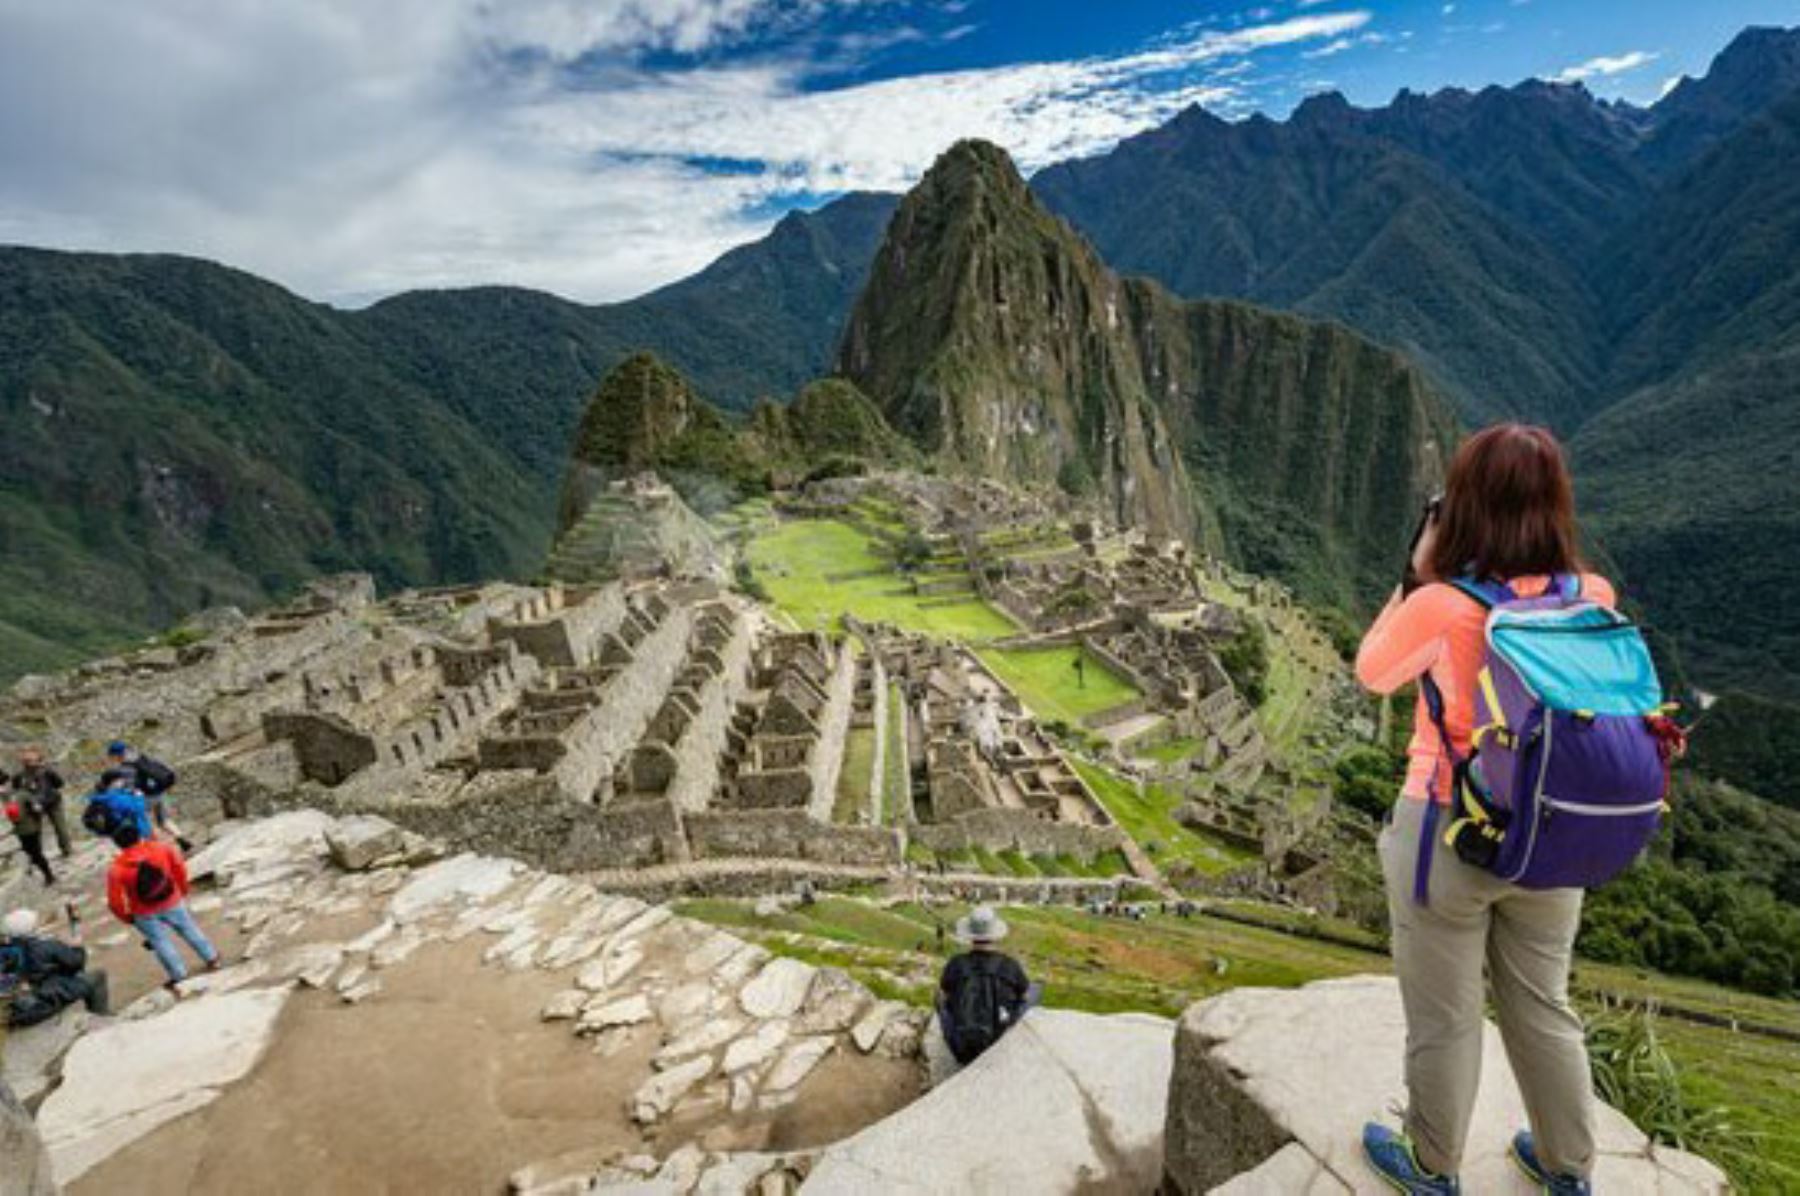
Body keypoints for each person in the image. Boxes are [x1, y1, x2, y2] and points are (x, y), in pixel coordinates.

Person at [1355, 425, 1610, 1196]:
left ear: (1461, 507)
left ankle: (1433, 1167)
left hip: (1447, 833)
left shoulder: (1442, 606)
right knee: (1543, 1004)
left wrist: (1418, 572)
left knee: (1446, 1015)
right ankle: (1569, 1168)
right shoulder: (1592, 596)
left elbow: (1373, 671)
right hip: (1551, 837)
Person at [105, 820, 219, 993]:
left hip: (143, 911)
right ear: (138, 835)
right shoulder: (161, 849)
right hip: (171, 899)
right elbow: (179, 868)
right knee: (189, 929)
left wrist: (127, 917)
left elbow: (115, 902)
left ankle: (179, 975)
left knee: (160, 943)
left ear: (118, 844)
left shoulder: (117, 868)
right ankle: (212, 958)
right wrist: (182, 889)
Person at [936, 905, 1033, 1065]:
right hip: (996, 1048)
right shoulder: (1010, 965)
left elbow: (944, 995)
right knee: (1034, 990)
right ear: (995, 935)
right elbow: (1024, 994)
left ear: (970, 935)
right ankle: (1010, 1032)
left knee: (939, 997)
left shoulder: (956, 964)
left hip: (961, 1050)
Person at [1, 908, 109, 1027]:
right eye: (34, 924)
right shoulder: (44, 946)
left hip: (18, 1006)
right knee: (97, 976)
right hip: (45, 1000)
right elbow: (77, 963)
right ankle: (101, 1018)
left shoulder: (7, 950)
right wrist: (77, 946)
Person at [104, 741, 190, 850]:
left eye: (112, 756)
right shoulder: (140, 757)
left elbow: (130, 787)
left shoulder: (126, 767)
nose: (112, 759)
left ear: (117, 755)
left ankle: (159, 850)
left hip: (146, 797)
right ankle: (181, 838)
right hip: (158, 792)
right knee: (163, 820)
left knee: (147, 823)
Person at [12, 747, 72, 858]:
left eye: (32, 759)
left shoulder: (46, 771)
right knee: (37, 831)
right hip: (35, 805)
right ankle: (38, 855)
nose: (30, 762)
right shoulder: (19, 776)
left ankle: (66, 850)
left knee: (59, 827)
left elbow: (59, 783)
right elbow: (17, 791)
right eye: (27, 760)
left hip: (52, 803)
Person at [3, 778, 57, 886]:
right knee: (31, 852)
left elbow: (37, 808)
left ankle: (49, 876)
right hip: (23, 831)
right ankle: (43, 871)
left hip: (29, 830)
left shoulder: (20, 795)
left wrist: (36, 814)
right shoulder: (10, 797)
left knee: (36, 853)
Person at [83, 771, 155, 842]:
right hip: (136, 832)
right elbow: (136, 808)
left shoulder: (106, 795)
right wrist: (139, 797)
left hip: (124, 833)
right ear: (113, 782)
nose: (123, 782)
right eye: (120, 780)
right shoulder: (114, 798)